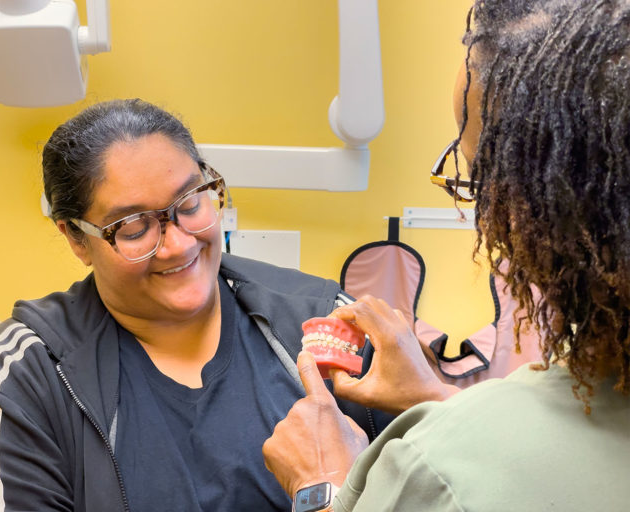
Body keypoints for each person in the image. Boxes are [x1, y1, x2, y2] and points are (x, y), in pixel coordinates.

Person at [262, 1, 630, 510]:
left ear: (546, 208)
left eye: (476, 178)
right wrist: (436, 398)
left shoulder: (434, 469)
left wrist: (321, 486)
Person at [0, 99, 392, 511]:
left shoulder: (324, 324)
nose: (179, 245)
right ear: (77, 238)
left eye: (189, 203)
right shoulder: (28, 375)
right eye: (133, 229)